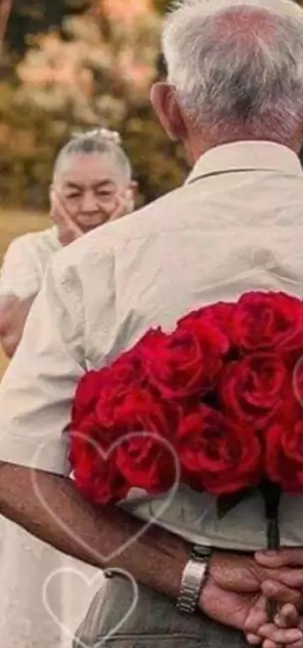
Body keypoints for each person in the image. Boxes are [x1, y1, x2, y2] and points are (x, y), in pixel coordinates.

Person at [0, 0, 303, 648]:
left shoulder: (95, 264)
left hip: (149, 622)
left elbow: (15, 468)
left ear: (168, 109)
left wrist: (189, 575)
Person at [0, 128, 137, 648]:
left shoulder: (142, 249)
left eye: (103, 192)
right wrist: (78, 253)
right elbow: (13, 336)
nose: (89, 205)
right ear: (54, 195)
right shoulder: (31, 250)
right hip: (39, 439)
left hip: (114, 440)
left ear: (129, 193)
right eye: (74, 192)